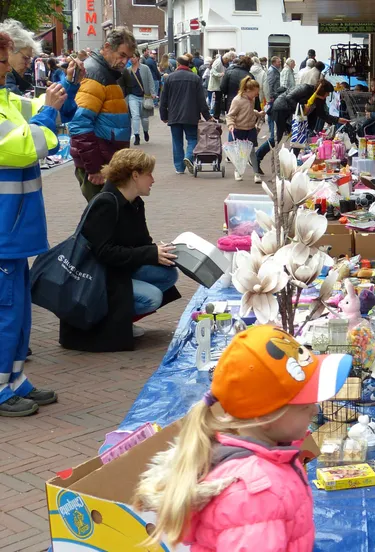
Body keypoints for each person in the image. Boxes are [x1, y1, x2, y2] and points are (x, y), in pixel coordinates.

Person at [135, 326, 352, 549]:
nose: (315, 411)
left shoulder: (261, 447)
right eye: (304, 405)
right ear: (265, 416)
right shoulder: (256, 497)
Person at [0, 30, 65, 417]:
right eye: (4, 61)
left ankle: (15, 378)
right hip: (5, 229)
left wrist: (58, 96)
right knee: (5, 309)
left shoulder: (6, 100)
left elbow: (39, 117)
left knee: (18, 309)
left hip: (15, 227)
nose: (8, 69)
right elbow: (25, 146)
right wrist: (47, 113)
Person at [59, 149, 181, 352]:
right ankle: (109, 325)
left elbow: (142, 242)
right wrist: (150, 253)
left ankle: (122, 320)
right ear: (135, 175)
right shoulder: (105, 203)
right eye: (148, 174)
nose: (153, 179)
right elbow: (104, 253)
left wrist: (161, 251)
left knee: (167, 274)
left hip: (115, 270)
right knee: (152, 297)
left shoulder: (134, 203)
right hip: (96, 278)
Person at [69, 27, 135, 202]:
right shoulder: (96, 75)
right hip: (99, 163)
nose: (124, 61)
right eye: (121, 55)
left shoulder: (106, 73)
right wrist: (95, 167)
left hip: (105, 159)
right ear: (107, 47)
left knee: (108, 218)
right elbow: (80, 124)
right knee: (103, 219)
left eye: (128, 57)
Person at [252, 80, 348, 181]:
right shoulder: (305, 88)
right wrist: (302, 107)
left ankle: (290, 167)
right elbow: (289, 97)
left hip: (294, 115)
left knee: (298, 140)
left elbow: (321, 114)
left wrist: (337, 120)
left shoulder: (320, 99)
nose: (328, 95)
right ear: (322, 91)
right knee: (276, 138)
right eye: (327, 93)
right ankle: (257, 158)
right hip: (281, 109)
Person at [160, 55, 212, 175]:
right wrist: (207, 115)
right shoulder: (195, 78)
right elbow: (201, 99)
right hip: (191, 114)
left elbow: (164, 99)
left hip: (174, 115)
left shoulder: (169, 78)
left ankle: (179, 167)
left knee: (177, 141)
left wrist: (164, 115)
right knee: (192, 138)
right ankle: (189, 156)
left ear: (178, 64)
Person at [227, 76, 264, 181]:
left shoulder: (251, 99)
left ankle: (256, 173)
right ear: (248, 90)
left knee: (252, 151)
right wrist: (230, 124)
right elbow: (230, 115)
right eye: (255, 92)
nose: (257, 95)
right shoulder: (237, 100)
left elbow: (250, 110)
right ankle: (238, 171)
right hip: (239, 129)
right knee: (240, 152)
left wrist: (258, 114)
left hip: (250, 128)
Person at [1, 19, 38, 96]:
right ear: (9, 50)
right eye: (25, 58)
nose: (28, 65)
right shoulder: (7, 84)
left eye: (29, 60)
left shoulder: (11, 82)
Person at [124, 51, 153, 145]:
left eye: (133, 57)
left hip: (145, 96)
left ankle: (145, 131)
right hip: (132, 96)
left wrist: (152, 92)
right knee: (135, 116)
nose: (132, 59)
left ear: (138, 58)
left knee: (144, 118)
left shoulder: (145, 68)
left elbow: (150, 80)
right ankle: (137, 136)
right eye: (130, 58)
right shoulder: (128, 70)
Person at [209, 52, 233, 119]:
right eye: (228, 60)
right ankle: (216, 116)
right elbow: (212, 72)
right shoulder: (218, 62)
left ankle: (217, 116)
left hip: (219, 84)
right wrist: (220, 74)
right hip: (216, 85)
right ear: (226, 58)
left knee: (219, 101)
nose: (228, 62)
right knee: (217, 101)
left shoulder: (223, 62)